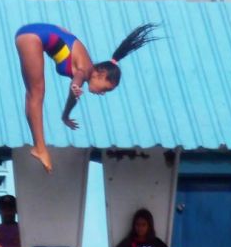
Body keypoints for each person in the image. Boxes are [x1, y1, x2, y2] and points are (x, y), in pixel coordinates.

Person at [15, 22, 158, 172]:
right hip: (32, 37)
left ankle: (40, 147)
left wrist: (66, 115)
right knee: (36, 93)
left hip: (34, 32)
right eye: (106, 89)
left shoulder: (87, 65)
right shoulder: (85, 69)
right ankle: (40, 147)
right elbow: (77, 79)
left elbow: (73, 93)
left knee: (36, 92)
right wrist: (75, 86)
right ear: (100, 74)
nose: (102, 93)